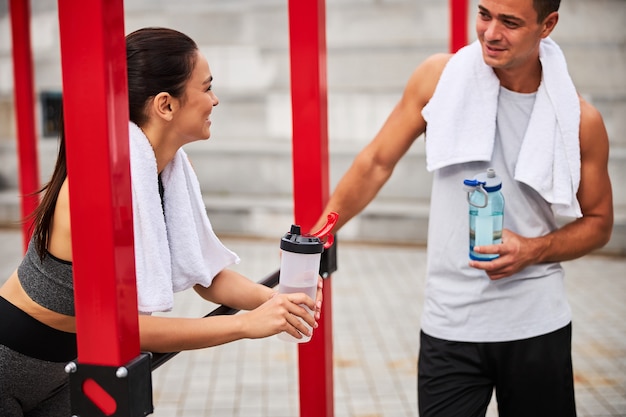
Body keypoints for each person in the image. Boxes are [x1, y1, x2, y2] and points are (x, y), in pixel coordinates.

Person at [0, 27, 323, 416]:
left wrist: (280, 303)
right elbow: (127, 329)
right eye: (206, 88)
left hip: (64, 370)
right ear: (166, 105)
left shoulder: (164, 172)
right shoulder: (97, 189)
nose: (215, 100)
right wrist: (245, 326)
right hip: (9, 365)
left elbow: (207, 275)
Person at [313, 0, 613, 416]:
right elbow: (376, 162)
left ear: (548, 26)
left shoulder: (580, 119)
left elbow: (599, 224)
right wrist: (321, 231)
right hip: (449, 322)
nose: (490, 32)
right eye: (484, 13)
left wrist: (532, 249)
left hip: (535, 323)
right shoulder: (439, 78)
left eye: (509, 22)